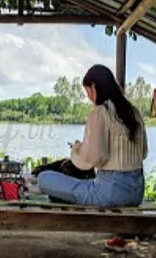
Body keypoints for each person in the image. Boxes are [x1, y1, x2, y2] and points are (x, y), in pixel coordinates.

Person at [37, 64, 147, 207]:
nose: (88, 97)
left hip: (110, 194)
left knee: (44, 178)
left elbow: (94, 159)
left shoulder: (100, 112)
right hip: (136, 193)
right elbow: (143, 153)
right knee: (85, 184)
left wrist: (77, 149)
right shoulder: (134, 112)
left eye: (87, 91)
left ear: (94, 87)